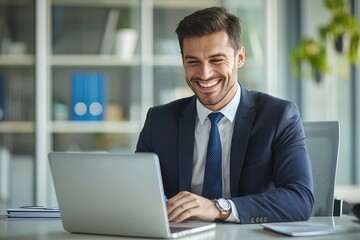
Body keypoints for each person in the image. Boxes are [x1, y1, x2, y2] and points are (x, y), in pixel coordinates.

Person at [136, 6, 314, 224]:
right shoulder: (159, 121)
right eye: (193, 62)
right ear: (183, 61)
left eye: (216, 60)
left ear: (239, 57)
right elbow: (137, 195)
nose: (204, 73)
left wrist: (218, 208)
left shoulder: (279, 116)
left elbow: (300, 199)